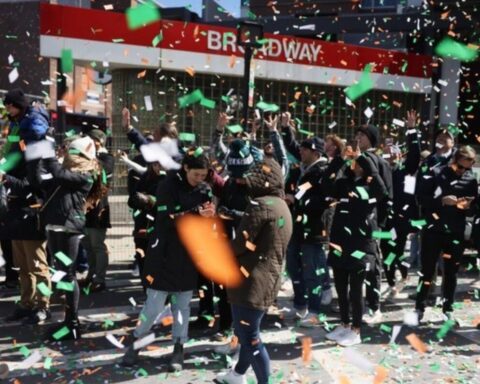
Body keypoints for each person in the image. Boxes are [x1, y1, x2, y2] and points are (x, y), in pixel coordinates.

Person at [121, 151, 214, 372]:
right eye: (196, 175)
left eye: (204, 175)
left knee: (182, 307)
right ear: (185, 169)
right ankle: (136, 342)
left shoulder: (204, 190)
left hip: (189, 255)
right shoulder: (167, 185)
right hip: (163, 254)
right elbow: (166, 219)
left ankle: (179, 347)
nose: (200, 179)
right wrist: (196, 214)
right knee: (153, 306)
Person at [216, 158, 292, 384]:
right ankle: (237, 375)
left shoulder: (259, 205)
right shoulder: (281, 205)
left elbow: (241, 243)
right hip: (269, 278)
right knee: (248, 333)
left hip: (250, 281)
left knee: (249, 337)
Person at [26, 136, 103, 339]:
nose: (70, 155)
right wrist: (33, 158)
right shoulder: (66, 172)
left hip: (69, 228)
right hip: (54, 226)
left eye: (74, 152)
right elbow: (38, 182)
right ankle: (67, 321)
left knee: (67, 274)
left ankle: (72, 324)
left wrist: (47, 149)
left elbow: (58, 174)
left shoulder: (87, 175)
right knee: (60, 273)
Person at [324, 144, 387, 347]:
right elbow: (327, 182)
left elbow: (382, 189)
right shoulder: (344, 183)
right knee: (341, 288)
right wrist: (340, 160)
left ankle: (356, 329)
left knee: (355, 289)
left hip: (361, 244)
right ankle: (344, 324)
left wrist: (364, 159)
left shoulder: (372, 185)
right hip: (340, 240)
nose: (354, 163)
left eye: (357, 161)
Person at [1, 88, 51, 324]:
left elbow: (34, 182)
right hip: (15, 207)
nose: (7, 110)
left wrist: (6, 178)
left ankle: (43, 306)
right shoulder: (15, 126)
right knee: (21, 264)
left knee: (37, 264)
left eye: (10, 105)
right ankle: (26, 302)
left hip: (31, 208)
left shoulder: (34, 137)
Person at [413, 145, 478, 324]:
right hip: (434, 230)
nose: (463, 171)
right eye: (461, 167)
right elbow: (420, 198)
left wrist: (468, 206)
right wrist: (441, 200)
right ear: (454, 161)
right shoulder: (437, 173)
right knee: (427, 271)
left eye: (468, 167)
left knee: (451, 273)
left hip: (455, 232)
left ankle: (448, 308)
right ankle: (419, 306)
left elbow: (474, 207)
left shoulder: (470, 179)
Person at [281, 112, 334, 326]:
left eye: (304, 149)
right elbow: (291, 148)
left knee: (312, 271)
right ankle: (300, 305)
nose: (299, 152)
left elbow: (321, 200)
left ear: (315, 152)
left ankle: (314, 310)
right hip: (298, 227)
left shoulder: (323, 171)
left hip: (314, 229)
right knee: (293, 266)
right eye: (301, 149)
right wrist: (286, 129)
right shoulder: (306, 169)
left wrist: (297, 200)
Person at [355, 123, 393, 324]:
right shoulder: (354, 160)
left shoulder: (378, 162)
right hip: (354, 222)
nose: (358, 138)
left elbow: (386, 194)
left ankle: (373, 305)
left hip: (373, 223)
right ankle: (356, 304)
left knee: (372, 264)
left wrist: (381, 224)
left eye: (362, 135)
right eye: (357, 134)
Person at [380, 111, 421, 297]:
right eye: (386, 153)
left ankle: (403, 276)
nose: (389, 156)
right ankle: (390, 282)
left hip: (401, 220)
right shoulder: (380, 172)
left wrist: (411, 130)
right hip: (383, 221)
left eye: (393, 153)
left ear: (399, 155)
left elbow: (415, 155)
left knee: (396, 252)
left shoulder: (405, 172)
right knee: (385, 251)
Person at [79, 129, 114, 293]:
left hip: (98, 209)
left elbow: (100, 173)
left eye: (92, 140)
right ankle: (90, 276)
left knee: (97, 245)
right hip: (84, 209)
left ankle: (100, 279)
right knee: (87, 245)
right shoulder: (85, 156)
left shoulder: (106, 158)